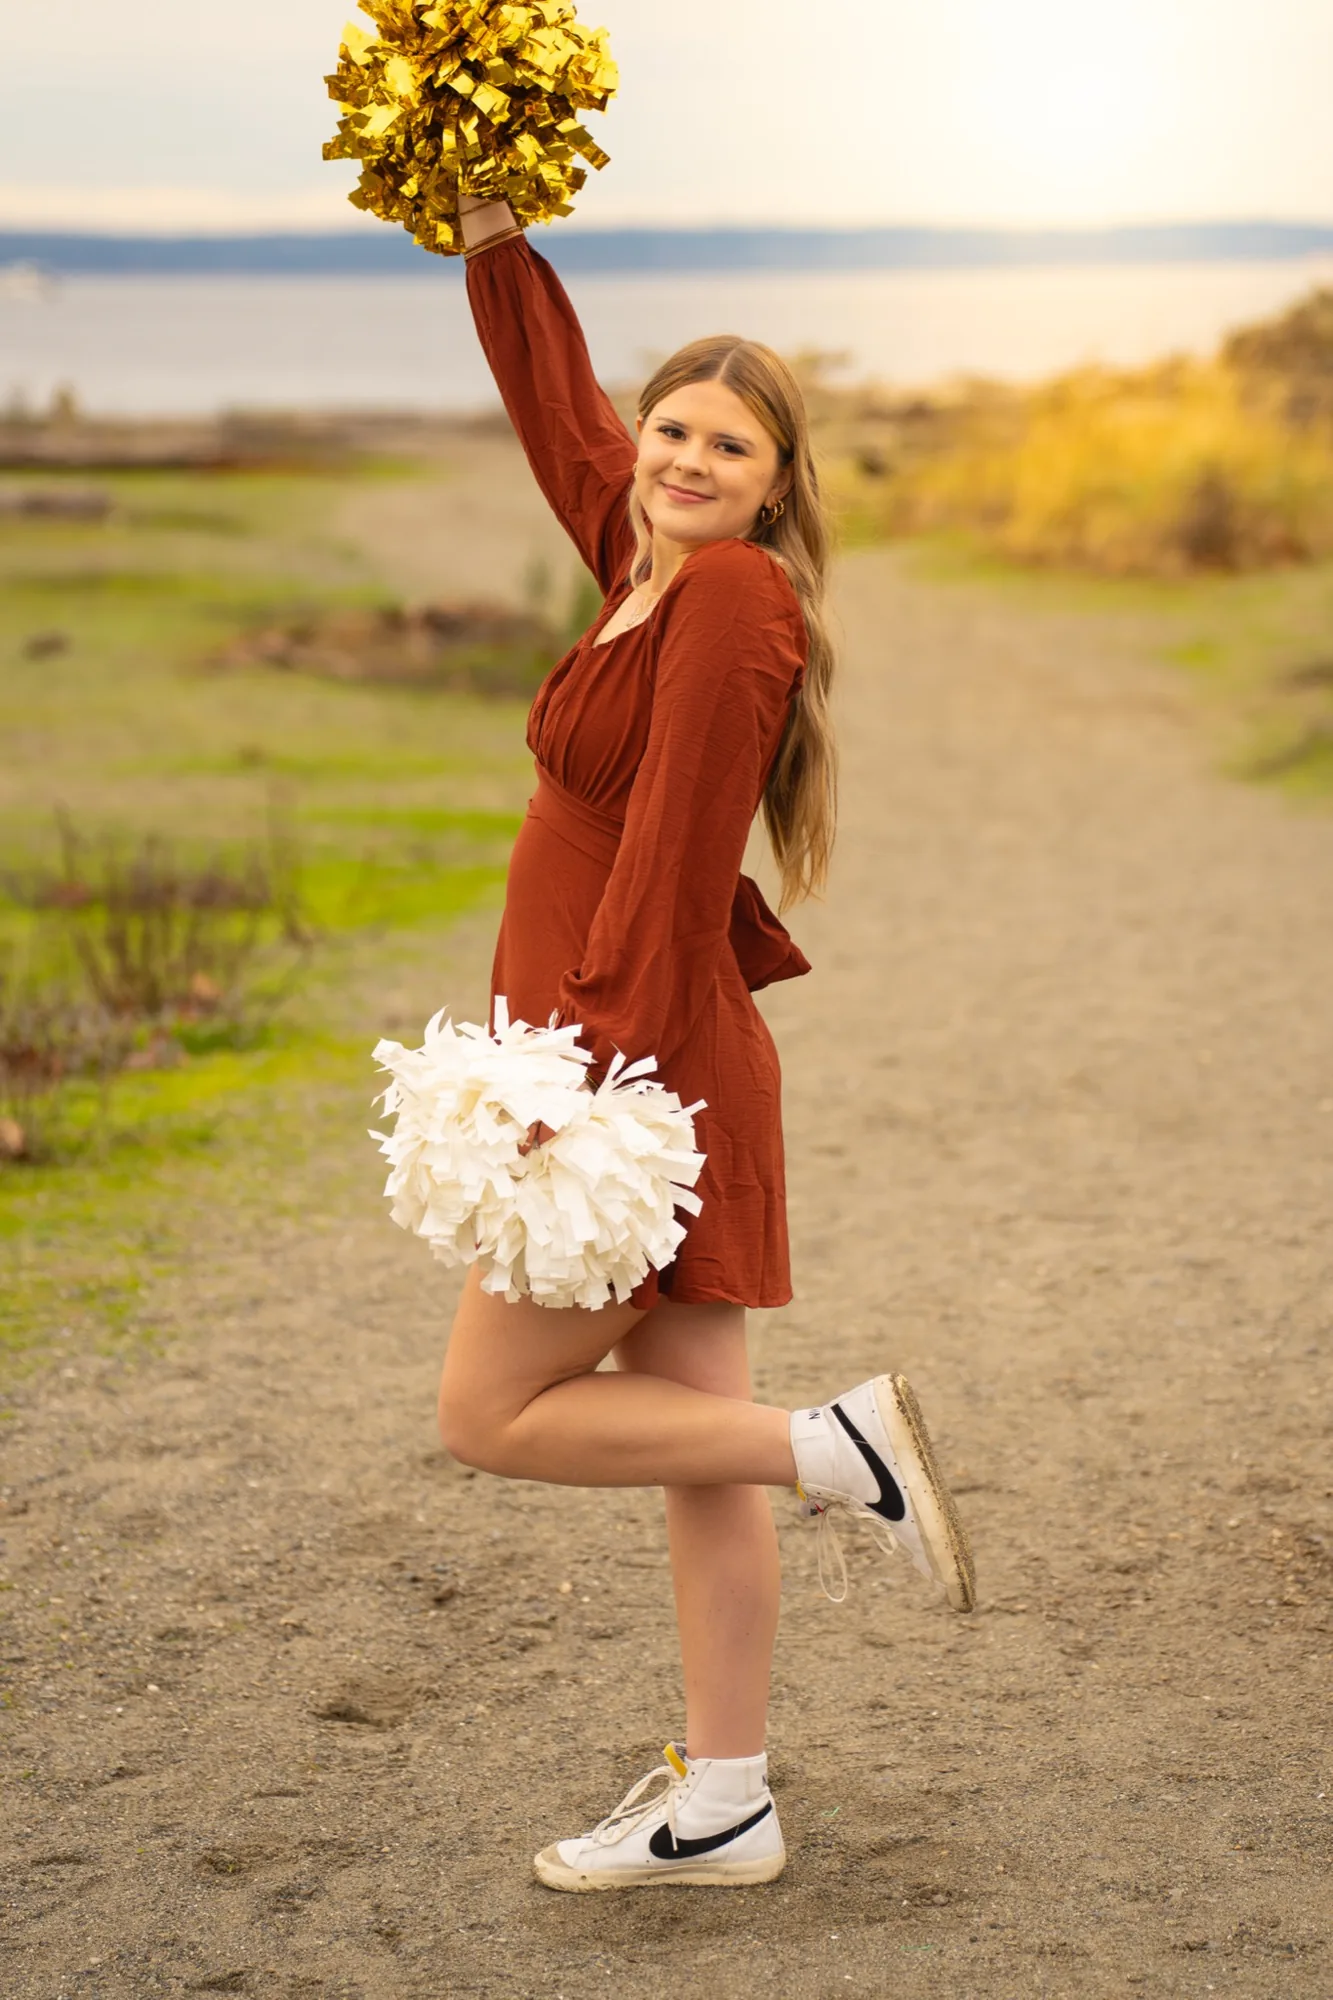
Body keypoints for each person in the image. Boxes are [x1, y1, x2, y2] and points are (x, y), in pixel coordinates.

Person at [436, 193, 976, 1893]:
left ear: (775, 481)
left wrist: (577, 1090)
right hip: (635, 1058)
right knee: (687, 1450)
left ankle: (841, 1447)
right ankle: (726, 1799)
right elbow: (567, 416)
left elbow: (672, 867)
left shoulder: (731, 599)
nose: (678, 459)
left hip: (635, 1075)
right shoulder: (639, 558)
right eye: (671, 429)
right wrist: (496, 246)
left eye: (724, 446)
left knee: (490, 1410)